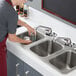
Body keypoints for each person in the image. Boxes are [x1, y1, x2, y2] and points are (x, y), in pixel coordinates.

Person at [0, 0, 36, 76]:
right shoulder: (11, 12)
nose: (25, 1)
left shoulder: (3, 2)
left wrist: (26, 25)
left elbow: (9, 18)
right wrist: (25, 41)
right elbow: (12, 38)